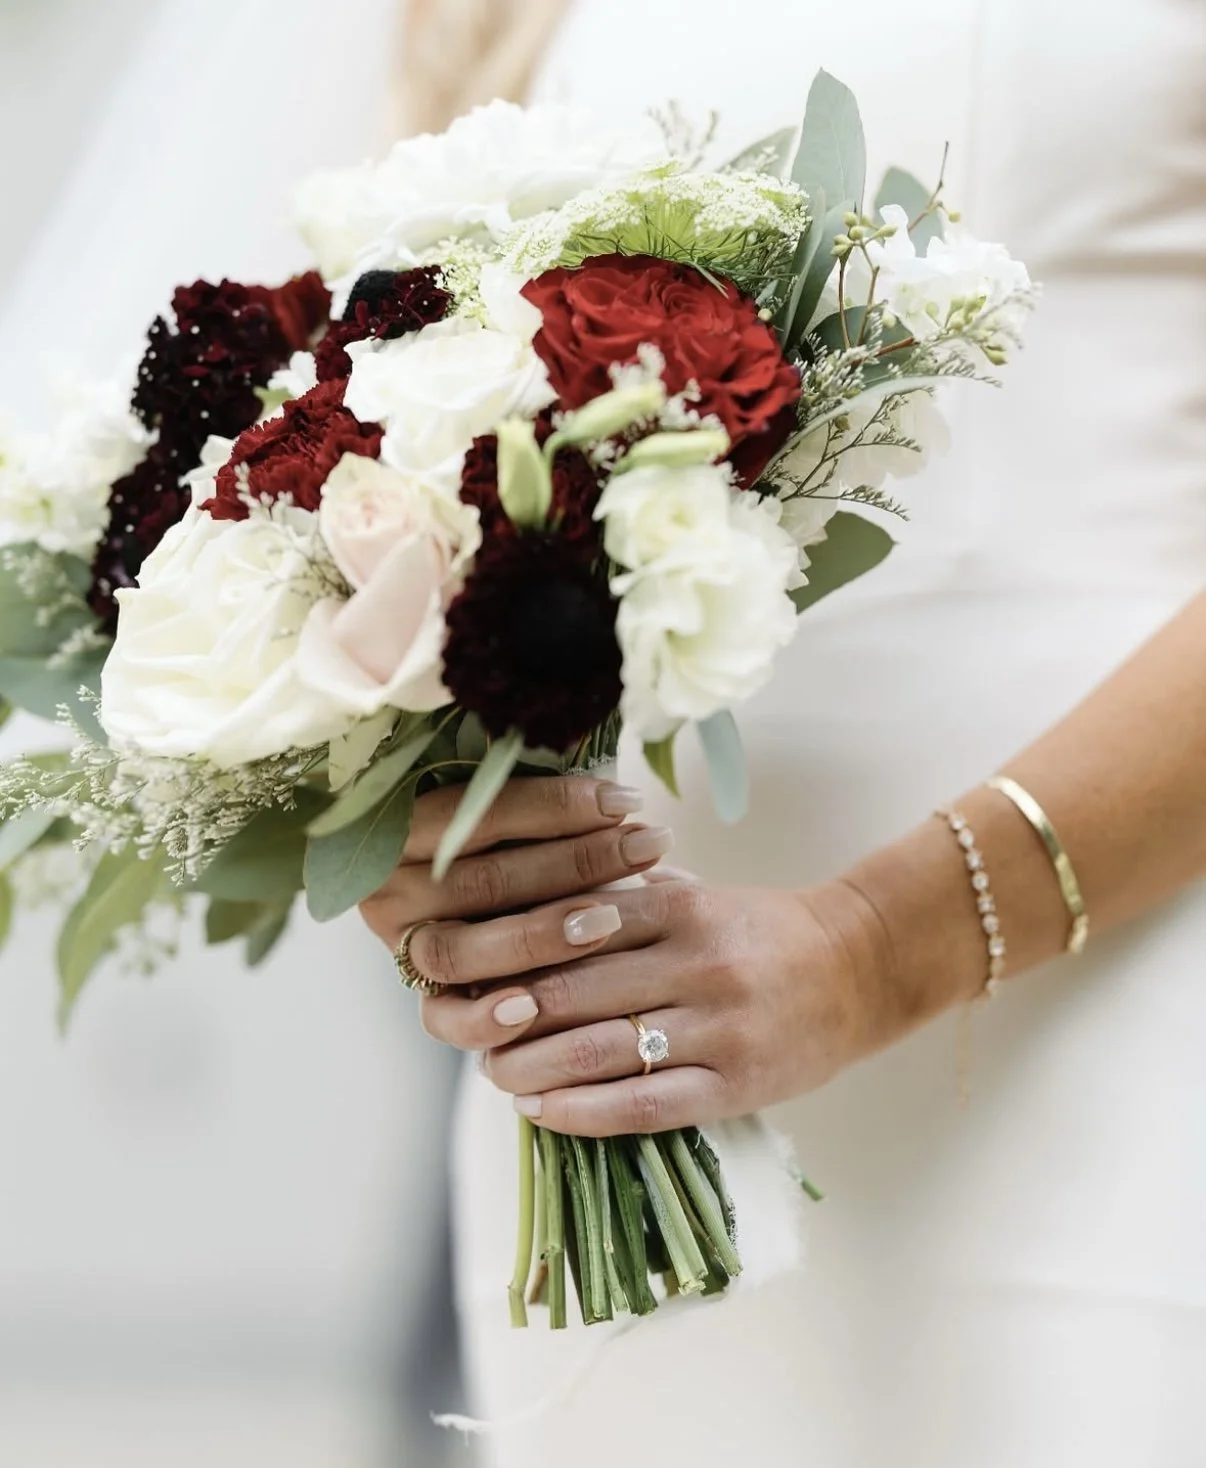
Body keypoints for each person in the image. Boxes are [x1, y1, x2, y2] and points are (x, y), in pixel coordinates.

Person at [373, 0, 1206, 1463]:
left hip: (1138, 1001)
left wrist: (882, 944)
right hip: (639, 1092)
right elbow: (416, 438)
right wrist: (427, 829)